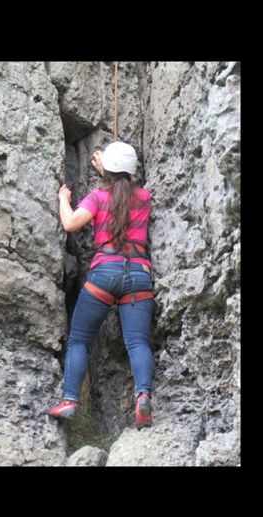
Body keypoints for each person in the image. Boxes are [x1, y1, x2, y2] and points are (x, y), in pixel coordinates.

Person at [48, 141, 155, 430]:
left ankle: (70, 400)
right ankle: (143, 395)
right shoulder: (144, 197)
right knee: (138, 342)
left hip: (103, 274)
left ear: (106, 170)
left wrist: (62, 197)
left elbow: (70, 223)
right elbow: (123, 191)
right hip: (138, 275)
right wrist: (108, 172)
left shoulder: (97, 197)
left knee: (80, 339)